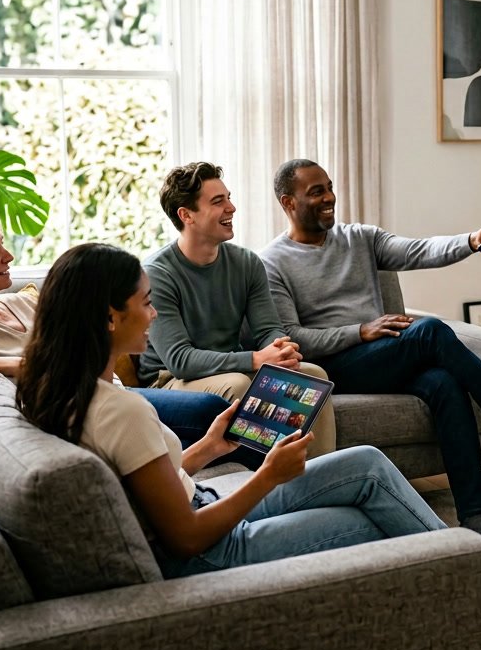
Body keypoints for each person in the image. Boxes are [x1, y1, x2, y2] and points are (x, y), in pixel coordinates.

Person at [15, 243, 481, 622]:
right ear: (110, 318)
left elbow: (143, 493)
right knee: (369, 518)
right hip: (211, 552)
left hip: (204, 506)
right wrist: (266, 476)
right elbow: (185, 539)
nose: (154, 311)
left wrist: (207, 449)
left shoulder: (70, 392)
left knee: (367, 464)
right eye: (145, 302)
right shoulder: (119, 409)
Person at [259, 160, 481, 560]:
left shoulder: (359, 239)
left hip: (383, 354)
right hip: (338, 365)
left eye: (330, 187)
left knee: (444, 383)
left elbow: (419, 250)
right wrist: (361, 331)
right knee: (431, 330)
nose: (329, 197)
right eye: (316, 191)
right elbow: (295, 338)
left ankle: (475, 517)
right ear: (288, 202)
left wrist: (473, 241)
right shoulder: (272, 262)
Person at [0, 209, 251, 465]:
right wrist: (26, 365)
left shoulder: (17, 304)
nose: (8, 256)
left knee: (223, 418)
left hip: (112, 391)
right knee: (215, 410)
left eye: (3, 246)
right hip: (93, 407)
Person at [137, 162, 337, 457]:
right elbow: (180, 360)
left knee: (313, 375)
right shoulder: (158, 273)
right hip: (169, 380)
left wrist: (280, 348)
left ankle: (317, 479)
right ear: (186, 215)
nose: (231, 208)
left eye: (228, 198)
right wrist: (256, 358)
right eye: (218, 201)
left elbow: (268, 327)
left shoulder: (246, 263)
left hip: (229, 367)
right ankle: (265, 482)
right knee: (238, 384)